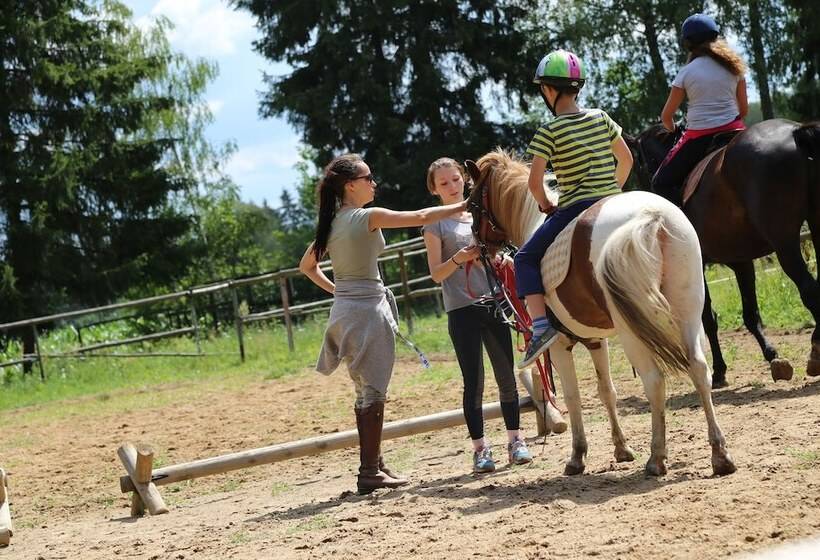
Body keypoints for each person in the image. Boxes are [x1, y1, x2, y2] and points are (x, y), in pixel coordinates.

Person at [299, 154, 466, 495]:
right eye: (368, 178)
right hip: (367, 311)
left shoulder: (330, 224)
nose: (374, 183)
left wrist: (340, 292)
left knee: (364, 391)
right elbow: (420, 216)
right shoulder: (367, 217)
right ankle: (369, 471)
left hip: (345, 311)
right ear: (350, 185)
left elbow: (307, 266)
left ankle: (374, 464)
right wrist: (466, 205)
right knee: (374, 391)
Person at [514, 49, 633, 369]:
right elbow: (626, 160)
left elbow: (535, 183)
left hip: (575, 206)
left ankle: (540, 329)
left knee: (523, 258)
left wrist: (545, 204)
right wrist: (613, 191)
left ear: (549, 91)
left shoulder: (548, 131)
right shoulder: (602, 117)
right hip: (612, 198)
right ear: (577, 87)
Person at [422, 157, 533, 473]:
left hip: (493, 302)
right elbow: (436, 274)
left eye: (455, 179)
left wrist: (500, 260)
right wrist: (460, 257)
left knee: (506, 376)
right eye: (444, 183)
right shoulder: (434, 224)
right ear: (434, 189)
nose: (452, 186)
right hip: (461, 309)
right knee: (474, 382)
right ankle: (481, 449)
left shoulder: (479, 213)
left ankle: (516, 441)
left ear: (465, 180)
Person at [652, 13, 748, 206]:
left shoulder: (686, 72)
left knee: (660, 183)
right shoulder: (735, 68)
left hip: (699, 136)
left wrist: (672, 129)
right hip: (735, 131)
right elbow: (743, 110)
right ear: (715, 36)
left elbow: (667, 116)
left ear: (688, 43)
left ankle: (685, 227)